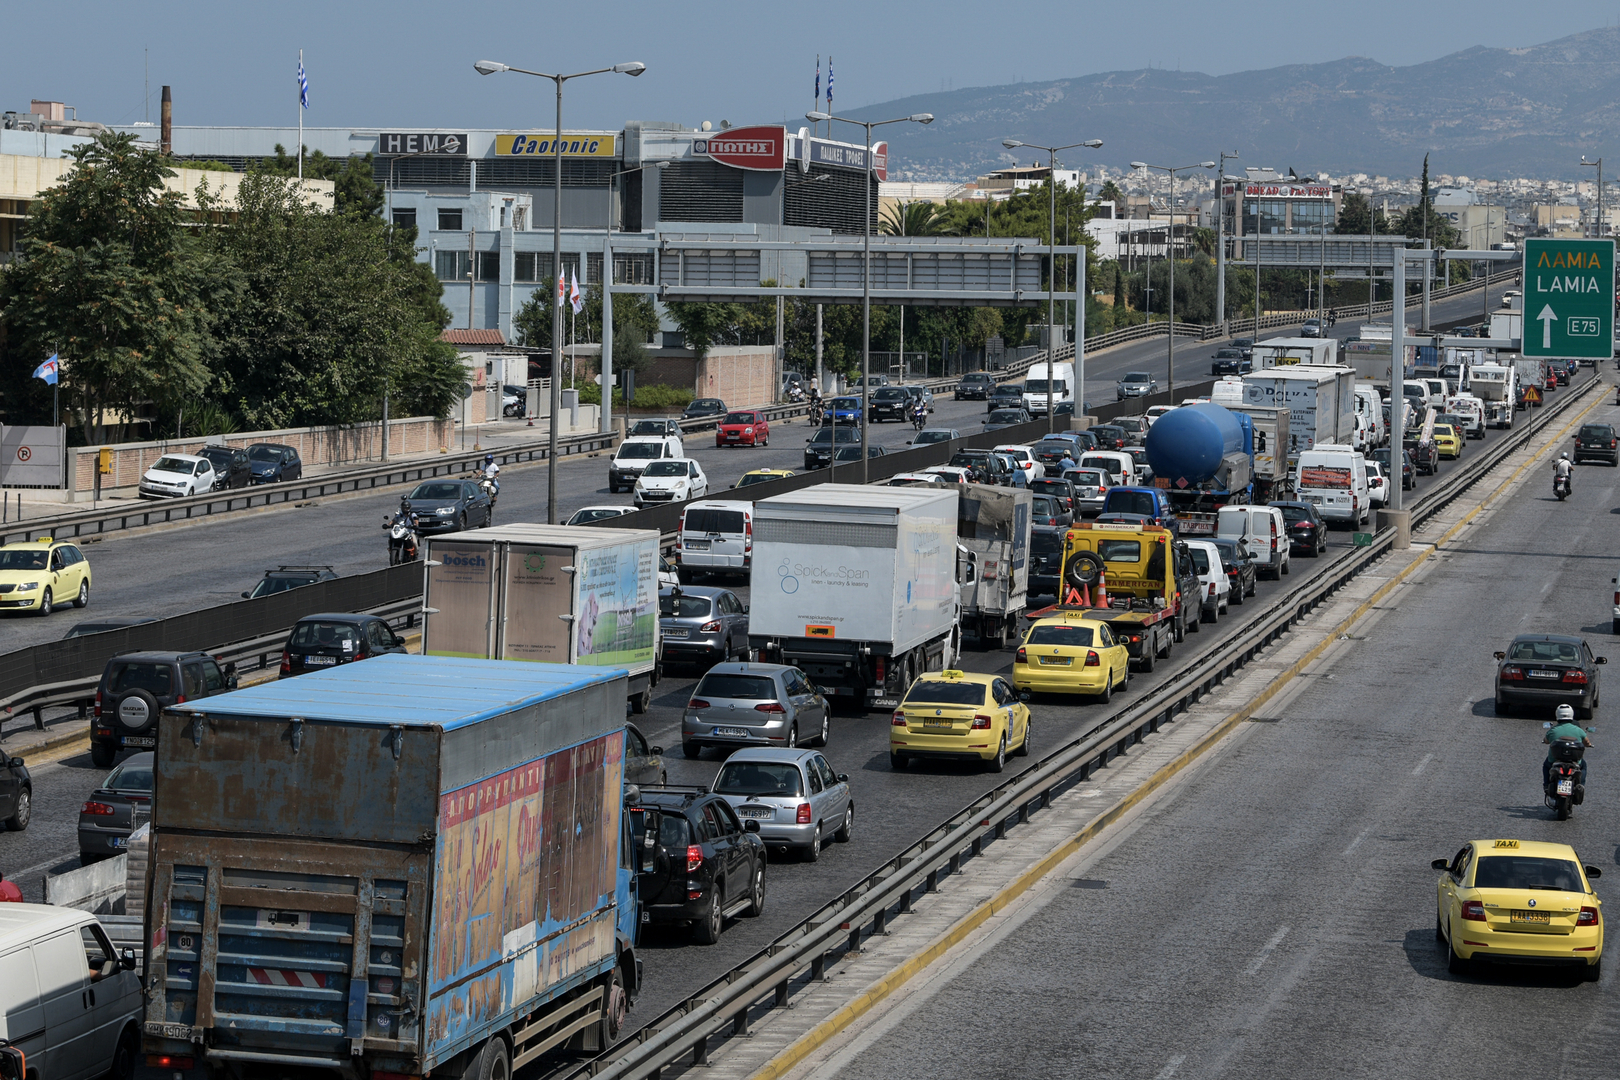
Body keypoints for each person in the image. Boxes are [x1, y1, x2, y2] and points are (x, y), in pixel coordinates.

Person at [1543, 703, 1591, 788]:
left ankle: (1546, 785)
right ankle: (1581, 785)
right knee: (1583, 765)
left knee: (1546, 766)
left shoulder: (1553, 731)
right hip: (1575, 762)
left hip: (1554, 761)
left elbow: (1546, 740)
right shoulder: (1579, 730)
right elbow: (1586, 742)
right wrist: (1589, 744)